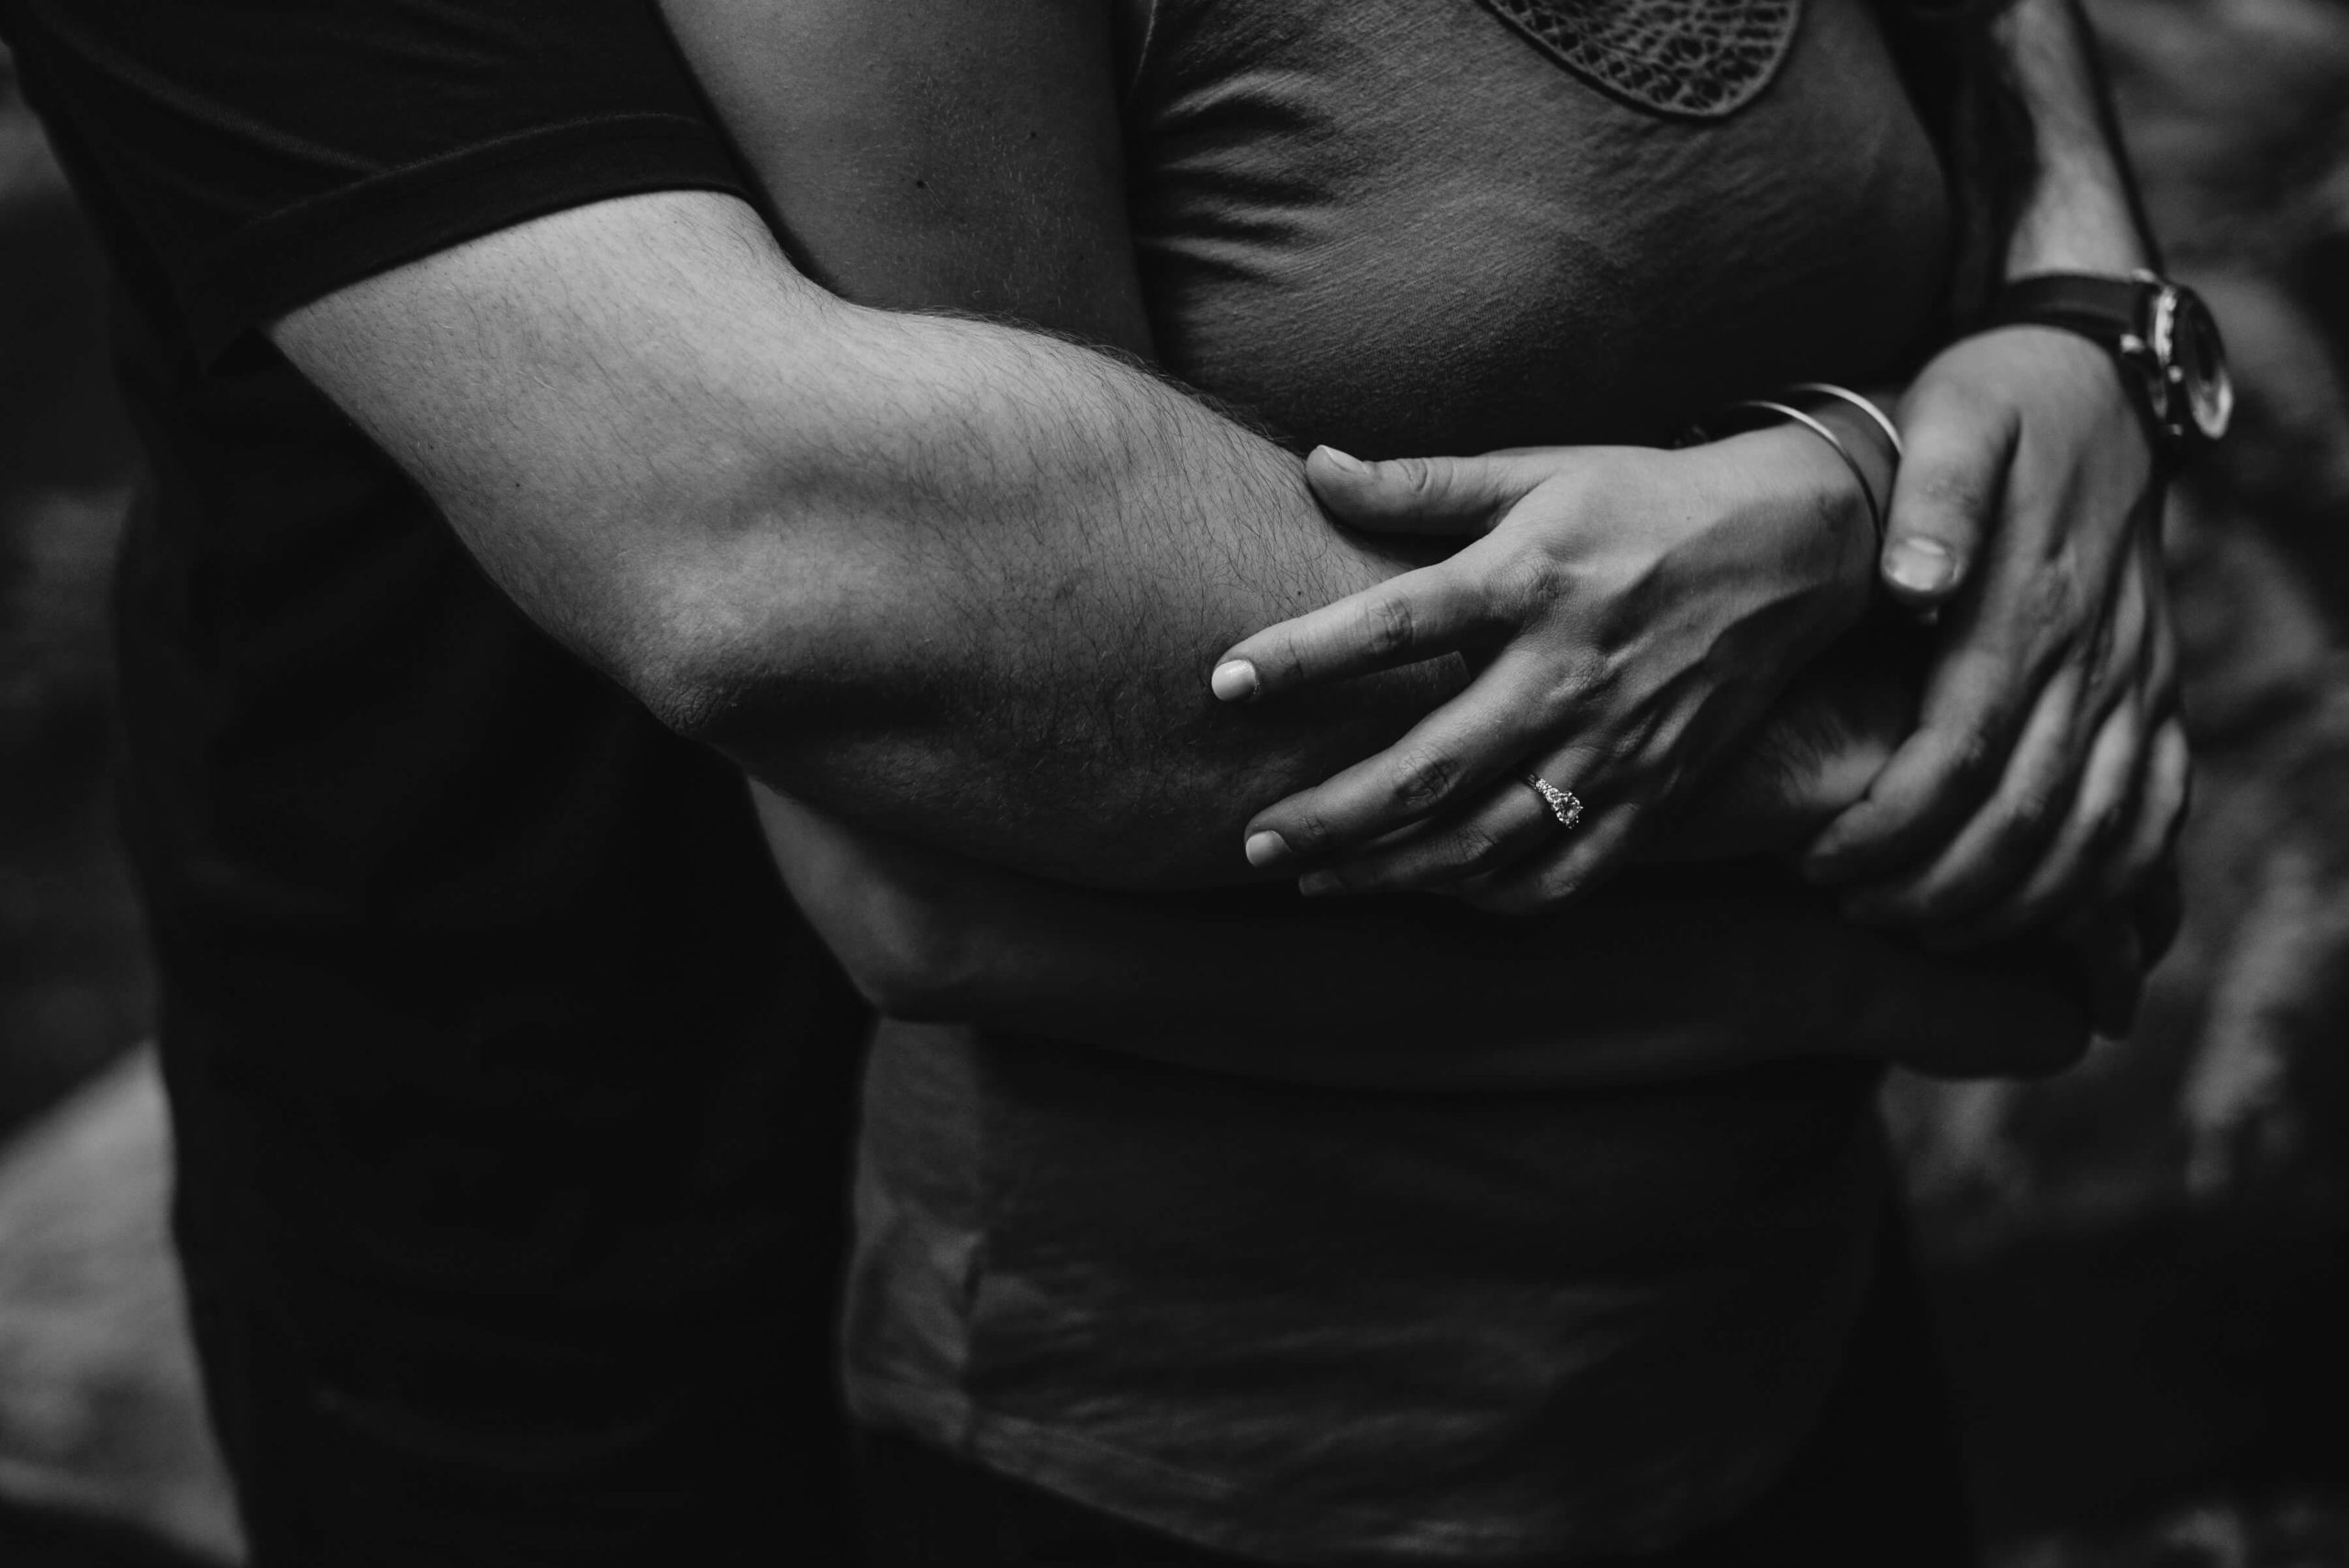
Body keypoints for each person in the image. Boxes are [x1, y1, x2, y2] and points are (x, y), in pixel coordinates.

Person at [0, 1, 2195, 1565]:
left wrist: (2070, 321)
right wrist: (1868, 840)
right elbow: (795, 574)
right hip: (594, 1131)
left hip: (1599, 1219)